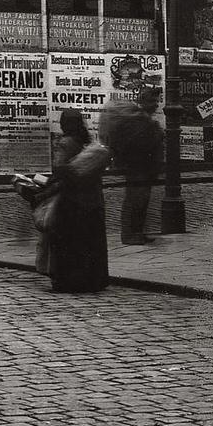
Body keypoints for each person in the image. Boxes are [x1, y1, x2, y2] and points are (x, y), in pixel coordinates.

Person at [39, 109, 110, 294]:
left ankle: (67, 281)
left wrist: (44, 185)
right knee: (87, 242)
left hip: (70, 200)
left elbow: (61, 170)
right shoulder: (88, 142)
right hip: (92, 199)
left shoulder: (65, 143)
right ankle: (90, 280)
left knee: (66, 242)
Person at [105, 83, 165, 245]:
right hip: (138, 168)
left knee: (141, 201)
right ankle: (130, 234)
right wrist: (156, 133)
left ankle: (137, 232)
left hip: (143, 168)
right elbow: (141, 143)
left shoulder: (143, 119)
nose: (156, 105)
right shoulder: (137, 120)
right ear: (144, 102)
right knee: (135, 201)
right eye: (153, 101)